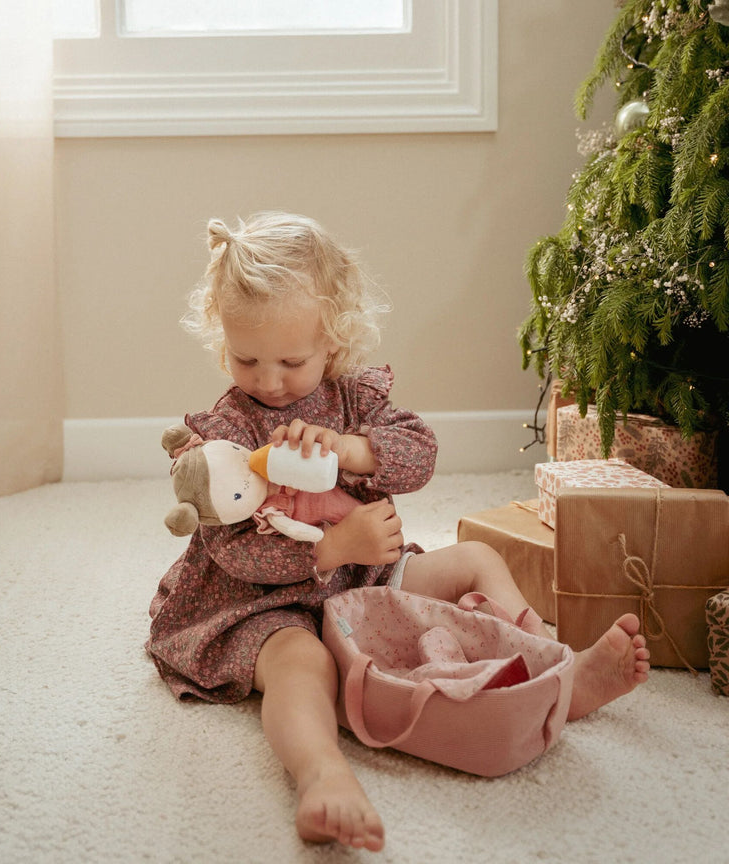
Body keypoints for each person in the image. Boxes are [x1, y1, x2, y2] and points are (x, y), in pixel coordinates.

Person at [145, 212, 650, 853]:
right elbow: (230, 551)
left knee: (475, 556)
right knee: (302, 666)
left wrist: (352, 450)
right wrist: (330, 549)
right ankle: (321, 774)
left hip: (369, 573)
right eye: (247, 359)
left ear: (333, 342)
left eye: (292, 361)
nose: (268, 381)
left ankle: (556, 671)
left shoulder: (354, 399)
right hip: (266, 603)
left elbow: (421, 456)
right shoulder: (227, 430)